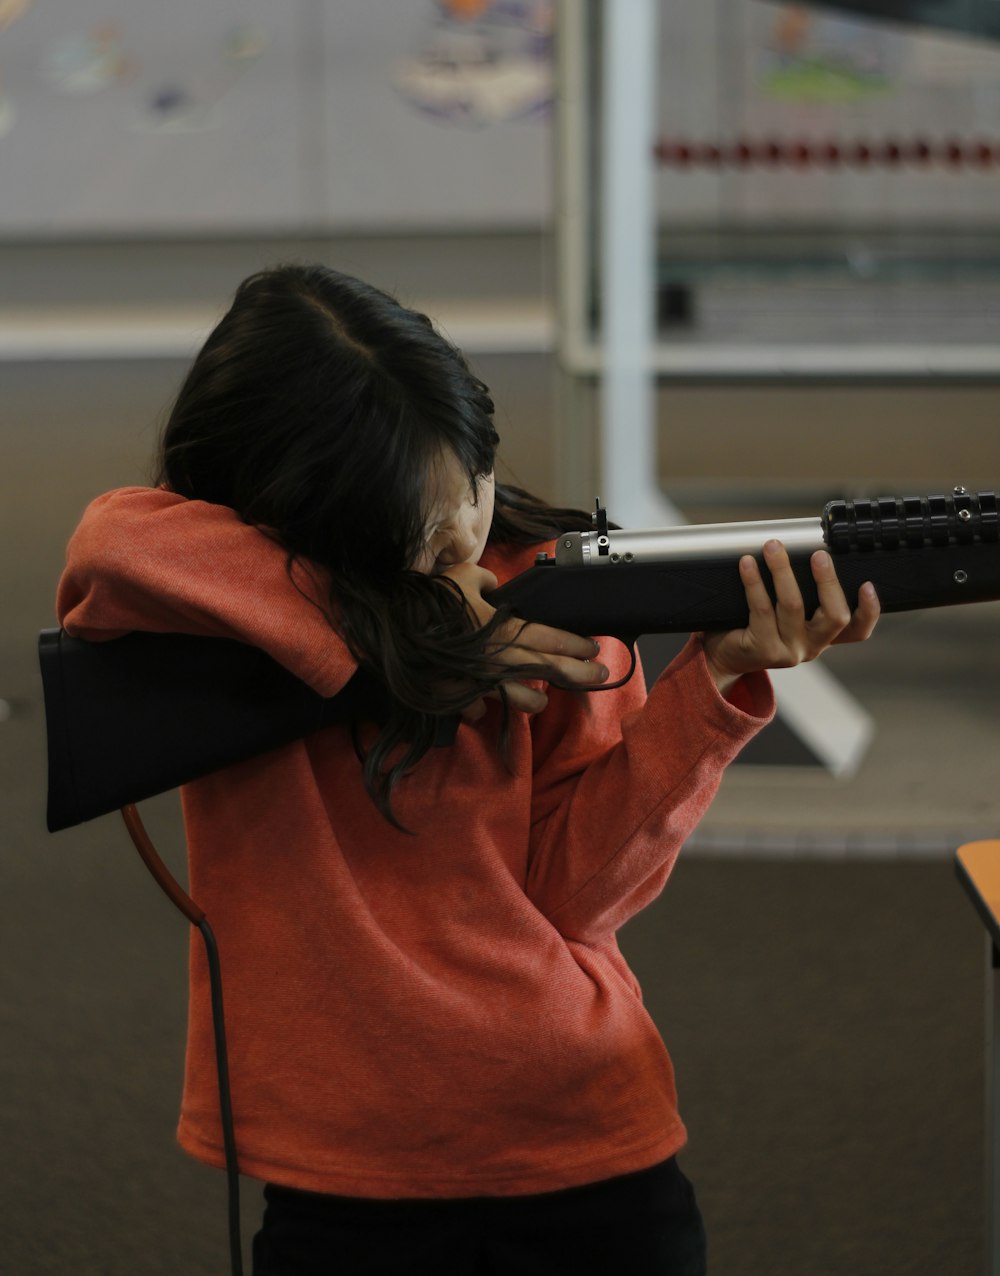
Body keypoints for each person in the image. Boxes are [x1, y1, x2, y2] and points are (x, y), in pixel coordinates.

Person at [56, 265, 880, 1275]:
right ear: (294, 522)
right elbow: (113, 544)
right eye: (419, 546)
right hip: (339, 1174)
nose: (468, 563)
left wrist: (713, 684)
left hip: (580, 1138)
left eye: (471, 506)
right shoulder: (215, 609)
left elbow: (576, 895)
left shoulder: (549, 597)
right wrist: (409, 642)